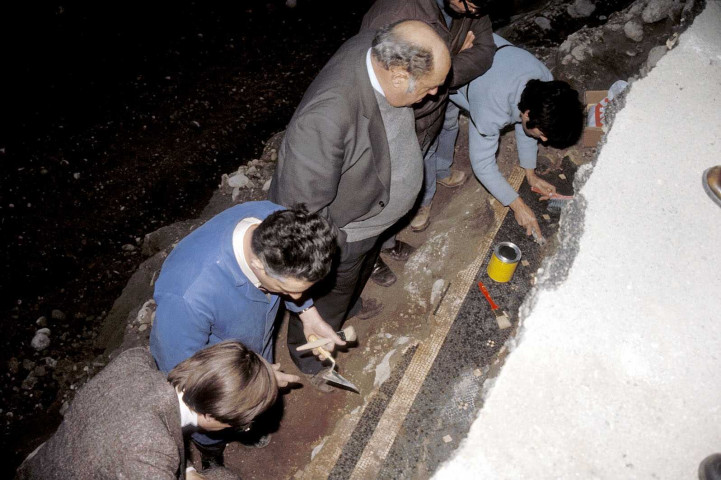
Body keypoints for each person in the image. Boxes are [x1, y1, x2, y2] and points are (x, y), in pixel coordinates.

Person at [269, 20, 451, 384]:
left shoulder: (377, 46)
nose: (433, 96)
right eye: (430, 87)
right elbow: (300, 215)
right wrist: (342, 247)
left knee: (353, 279)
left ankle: (348, 302)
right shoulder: (324, 120)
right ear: (400, 76)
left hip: (373, 217)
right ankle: (310, 355)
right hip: (348, 232)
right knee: (333, 287)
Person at [149, 201, 339, 467]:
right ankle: (211, 454)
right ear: (258, 265)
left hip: (255, 341)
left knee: (255, 407)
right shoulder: (186, 298)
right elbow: (182, 378)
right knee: (215, 422)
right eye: (288, 289)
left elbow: (296, 285)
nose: (297, 297)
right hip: (218, 374)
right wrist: (255, 381)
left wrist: (309, 314)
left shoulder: (277, 225)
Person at [16, 341, 277, 480]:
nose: (244, 429)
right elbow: (147, 449)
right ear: (211, 415)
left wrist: (187, 471)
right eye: (242, 425)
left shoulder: (136, 360)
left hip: (54, 458)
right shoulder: (148, 451)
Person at [428, 33, 584, 239]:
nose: (544, 141)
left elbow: (526, 124)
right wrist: (517, 205)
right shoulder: (491, 109)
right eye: (543, 135)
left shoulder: (545, 82)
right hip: (447, 64)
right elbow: (482, 165)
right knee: (439, 127)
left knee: (449, 120)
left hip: (485, 67)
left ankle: (441, 168)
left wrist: (530, 173)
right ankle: (426, 195)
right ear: (528, 113)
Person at [362, 0, 496, 241]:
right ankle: (385, 244)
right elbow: (379, 81)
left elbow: (485, 50)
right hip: (399, 119)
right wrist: (448, 63)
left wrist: (441, 69)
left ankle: (424, 198)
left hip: (432, 112)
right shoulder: (397, 11)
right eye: (470, 5)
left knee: (428, 151)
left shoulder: (472, 5)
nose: (474, 13)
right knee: (391, 184)